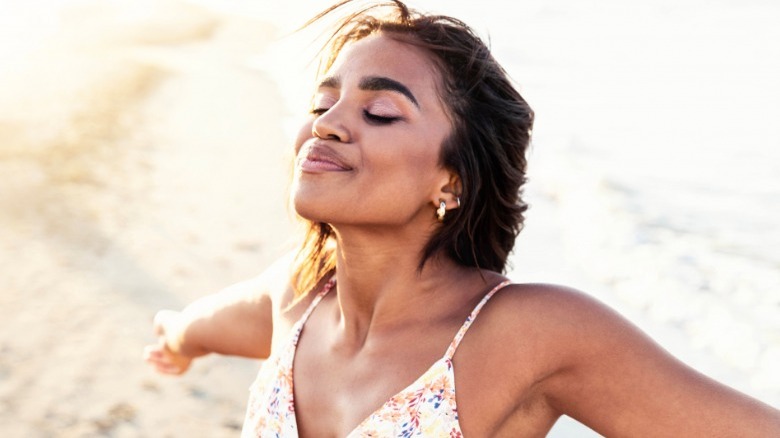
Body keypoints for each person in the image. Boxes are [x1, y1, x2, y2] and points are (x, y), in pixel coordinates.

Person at [143, 1, 780, 436]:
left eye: (381, 113)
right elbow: (206, 325)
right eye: (323, 101)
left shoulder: (527, 334)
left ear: (453, 180)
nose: (327, 125)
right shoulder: (299, 297)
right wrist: (175, 337)